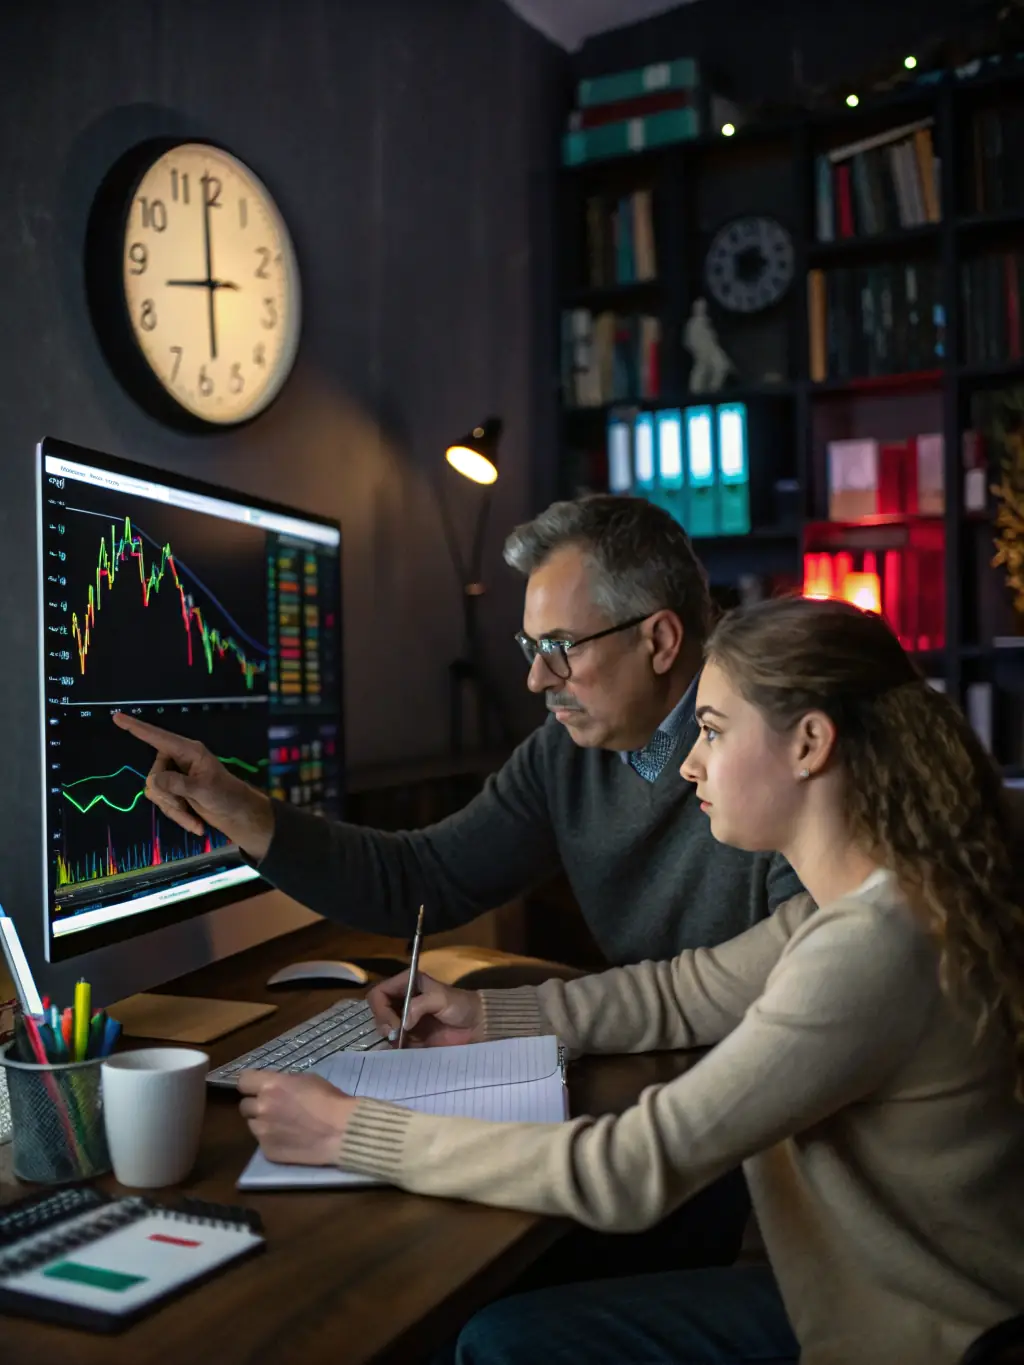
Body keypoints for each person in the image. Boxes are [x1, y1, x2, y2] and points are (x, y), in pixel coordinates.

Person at [232, 597, 1024, 1365]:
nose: (688, 762)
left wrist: (350, 1132)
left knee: (495, 1340)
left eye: (713, 731)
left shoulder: (869, 947)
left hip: (920, 1335)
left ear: (810, 742)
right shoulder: (889, 898)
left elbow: (628, 1169)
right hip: (876, 1294)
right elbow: (683, 991)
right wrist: (489, 1014)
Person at [114, 496, 808, 1272]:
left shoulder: (772, 747)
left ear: (659, 638)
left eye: (559, 645)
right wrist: (238, 808)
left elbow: (801, 985)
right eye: (529, 643)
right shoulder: (567, 753)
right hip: (671, 1103)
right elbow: (424, 877)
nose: (536, 675)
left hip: (768, 1150)